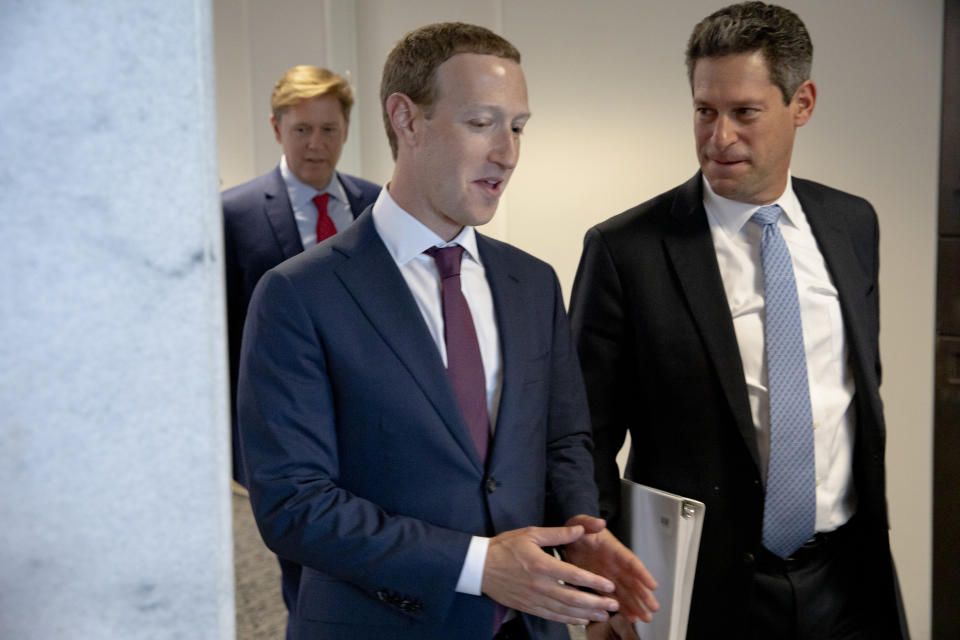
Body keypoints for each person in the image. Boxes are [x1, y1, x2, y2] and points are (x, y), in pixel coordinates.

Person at [237, 21, 658, 640]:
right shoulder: (298, 294)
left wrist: (581, 532)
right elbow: (294, 506)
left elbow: (564, 440)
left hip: (528, 629)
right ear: (407, 120)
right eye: (482, 123)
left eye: (517, 126)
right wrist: (480, 565)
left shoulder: (532, 283)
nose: (508, 152)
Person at [571, 3, 909, 639]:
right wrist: (602, 578)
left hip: (845, 580)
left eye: (744, 113)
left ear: (801, 103)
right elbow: (581, 437)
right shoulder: (627, 251)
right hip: (701, 593)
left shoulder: (852, 224)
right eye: (704, 111)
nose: (718, 136)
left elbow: (856, 396)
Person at [222, 65, 380, 620]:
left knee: (374, 551)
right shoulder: (234, 213)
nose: (317, 144)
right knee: (303, 560)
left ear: (346, 130)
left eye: (330, 130)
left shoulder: (377, 204)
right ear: (276, 130)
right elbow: (221, 336)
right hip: (283, 422)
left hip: (370, 416)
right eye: (302, 130)